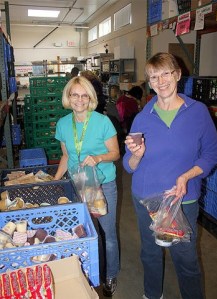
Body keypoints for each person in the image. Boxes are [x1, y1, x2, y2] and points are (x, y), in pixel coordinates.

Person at [123, 52, 217, 299]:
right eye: (154, 76)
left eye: (166, 73)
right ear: (149, 82)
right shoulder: (143, 117)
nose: (161, 80)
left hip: (181, 200)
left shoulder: (197, 112)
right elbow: (128, 165)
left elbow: (210, 154)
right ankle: (152, 294)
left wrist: (186, 176)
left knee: (185, 258)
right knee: (150, 253)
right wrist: (137, 154)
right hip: (146, 198)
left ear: (177, 75)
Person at [54, 76, 120, 297]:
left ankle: (110, 274)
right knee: (86, 233)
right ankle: (92, 272)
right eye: (75, 94)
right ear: (68, 97)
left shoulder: (103, 121)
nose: (79, 100)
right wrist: (56, 180)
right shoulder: (63, 124)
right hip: (77, 185)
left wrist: (98, 158)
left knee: (107, 233)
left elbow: (115, 153)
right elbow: (66, 156)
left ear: (91, 98)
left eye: (84, 95)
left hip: (102, 185)